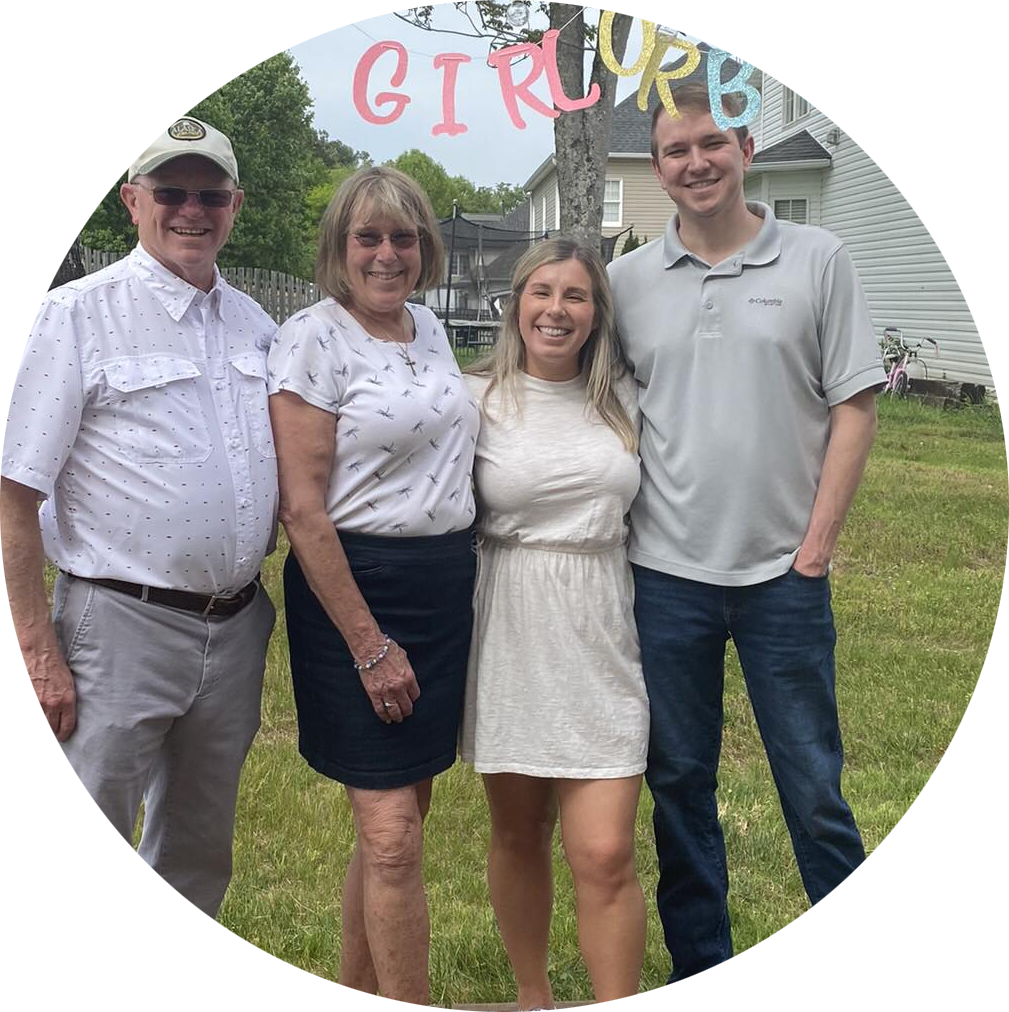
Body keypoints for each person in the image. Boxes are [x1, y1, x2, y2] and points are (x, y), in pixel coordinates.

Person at [607, 83, 896, 1012]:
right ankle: (701, 994)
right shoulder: (627, 284)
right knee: (679, 797)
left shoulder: (816, 258)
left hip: (781, 580)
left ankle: (861, 994)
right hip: (663, 580)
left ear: (744, 145)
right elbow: (601, 414)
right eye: (672, 151)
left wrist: (814, 547)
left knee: (813, 794)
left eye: (708, 144)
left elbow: (854, 403)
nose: (692, 163)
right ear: (656, 167)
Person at [0, 116, 277, 1012]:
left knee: (195, 863)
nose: (190, 210)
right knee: (88, 873)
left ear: (234, 204)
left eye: (209, 193)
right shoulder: (76, 316)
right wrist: (36, 647)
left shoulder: (257, 325)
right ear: (133, 200)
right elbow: (13, 494)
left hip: (233, 628)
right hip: (115, 625)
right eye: (171, 191)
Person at [267, 165, 479, 1012]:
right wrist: (370, 644)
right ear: (339, 249)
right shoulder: (310, 338)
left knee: (400, 824)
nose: (387, 254)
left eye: (403, 237)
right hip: (353, 595)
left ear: (423, 248)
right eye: (369, 237)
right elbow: (302, 510)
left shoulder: (428, 328)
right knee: (390, 839)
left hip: (439, 590)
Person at [461, 238, 648, 1012]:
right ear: (516, 303)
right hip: (507, 619)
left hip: (602, 620)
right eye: (541, 292)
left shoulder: (629, 398)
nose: (555, 310)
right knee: (518, 832)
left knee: (605, 851)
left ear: (597, 312)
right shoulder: (473, 398)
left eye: (575, 296)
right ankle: (533, 998)